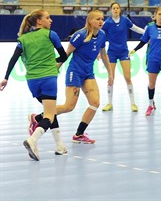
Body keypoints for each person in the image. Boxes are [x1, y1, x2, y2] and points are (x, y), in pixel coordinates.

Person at [32, 10, 112, 145]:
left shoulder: (102, 35)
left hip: (88, 73)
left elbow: (103, 55)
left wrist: (110, 73)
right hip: (74, 72)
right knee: (69, 106)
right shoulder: (80, 35)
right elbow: (66, 53)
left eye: (102, 19)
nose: (101, 22)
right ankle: (38, 117)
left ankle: (79, 134)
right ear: (90, 21)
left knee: (95, 103)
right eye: (98, 19)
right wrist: (55, 68)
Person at [1, 10, 68, 161]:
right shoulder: (50, 34)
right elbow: (63, 56)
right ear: (39, 21)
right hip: (48, 78)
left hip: (32, 81)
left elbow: (13, 59)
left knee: (49, 111)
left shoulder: (23, 39)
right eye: (47, 17)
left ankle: (60, 146)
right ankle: (33, 140)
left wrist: (6, 78)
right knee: (49, 115)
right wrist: (50, 60)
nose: (51, 20)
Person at [130, 7, 161, 120]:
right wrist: (134, 50)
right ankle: (150, 105)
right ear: (155, 16)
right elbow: (143, 41)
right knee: (151, 85)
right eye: (159, 14)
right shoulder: (150, 28)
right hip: (153, 59)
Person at [101, 2, 145, 112]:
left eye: (117, 8)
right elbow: (100, 36)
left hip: (124, 52)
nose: (115, 10)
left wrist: (146, 33)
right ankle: (109, 103)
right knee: (111, 78)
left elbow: (135, 28)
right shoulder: (107, 23)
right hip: (111, 52)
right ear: (111, 10)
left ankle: (133, 103)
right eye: (113, 8)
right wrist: (98, 51)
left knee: (128, 78)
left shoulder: (125, 20)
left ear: (120, 10)